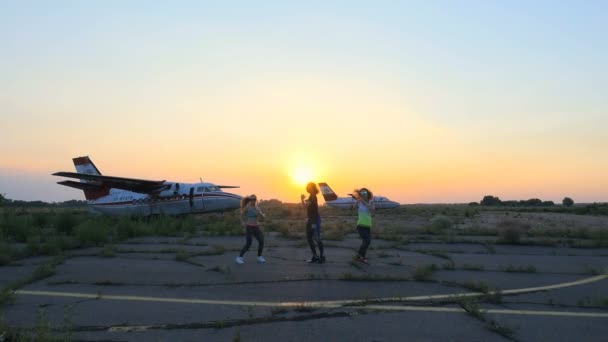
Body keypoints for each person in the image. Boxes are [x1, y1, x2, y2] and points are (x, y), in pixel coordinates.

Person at [236, 195, 266, 264]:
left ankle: (259, 256)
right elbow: (241, 216)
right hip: (249, 227)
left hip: (256, 227)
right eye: (252, 199)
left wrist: (261, 214)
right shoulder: (247, 208)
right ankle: (239, 257)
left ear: (256, 200)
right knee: (248, 244)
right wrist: (242, 222)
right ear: (250, 200)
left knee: (261, 241)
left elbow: (263, 218)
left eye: (254, 199)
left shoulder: (257, 208)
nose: (253, 201)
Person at [301, 182, 325, 264]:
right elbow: (306, 206)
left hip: (314, 220)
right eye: (308, 187)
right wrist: (304, 200)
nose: (309, 188)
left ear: (313, 188)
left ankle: (321, 257)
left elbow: (305, 206)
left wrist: (302, 199)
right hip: (311, 220)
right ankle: (316, 256)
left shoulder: (313, 196)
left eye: (311, 187)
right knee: (310, 238)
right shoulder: (312, 196)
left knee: (315, 238)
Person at [353, 188, 374, 264]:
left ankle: (359, 256)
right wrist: (358, 200)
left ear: (368, 193)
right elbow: (353, 207)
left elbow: (372, 210)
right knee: (367, 241)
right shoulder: (359, 201)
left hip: (368, 225)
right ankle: (362, 257)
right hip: (360, 225)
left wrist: (364, 202)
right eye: (362, 192)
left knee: (366, 242)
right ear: (360, 194)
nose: (363, 193)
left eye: (365, 192)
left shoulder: (371, 202)